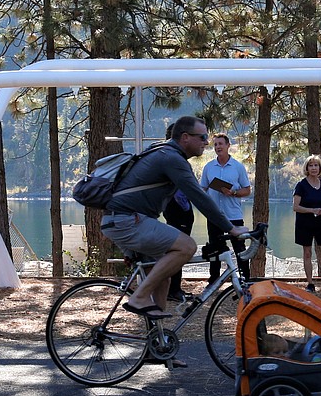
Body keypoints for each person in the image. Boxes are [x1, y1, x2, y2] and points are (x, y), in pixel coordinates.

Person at [102, 116, 248, 324]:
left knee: (163, 277)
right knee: (187, 246)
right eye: (203, 137)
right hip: (127, 221)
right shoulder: (172, 159)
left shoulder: (162, 151)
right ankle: (139, 297)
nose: (207, 143)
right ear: (185, 137)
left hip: (124, 220)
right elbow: (200, 196)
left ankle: (157, 348)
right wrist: (231, 228)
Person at [200, 133, 251, 283]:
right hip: (215, 215)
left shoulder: (238, 167)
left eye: (221, 144)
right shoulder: (208, 167)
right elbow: (202, 189)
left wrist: (234, 193)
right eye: (215, 145)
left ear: (228, 146)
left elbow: (247, 190)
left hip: (233, 214)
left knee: (239, 248)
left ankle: (244, 279)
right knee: (215, 248)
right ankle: (214, 279)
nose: (218, 147)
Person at [292, 155, 321, 292]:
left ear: (320, 168)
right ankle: (310, 284)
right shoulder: (301, 185)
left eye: (316, 165)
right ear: (307, 168)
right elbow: (296, 207)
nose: (313, 168)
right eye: (311, 165)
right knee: (307, 253)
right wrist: (311, 210)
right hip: (305, 224)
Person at [161, 125, 195, 304]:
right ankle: (173, 289)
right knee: (178, 250)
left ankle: (175, 288)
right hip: (176, 209)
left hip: (182, 209)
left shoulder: (175, 158)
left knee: (178, 250)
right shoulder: (171, 158)